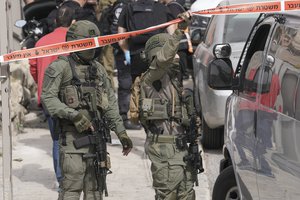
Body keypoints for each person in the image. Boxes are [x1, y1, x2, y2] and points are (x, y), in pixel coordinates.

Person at [41, 20, 133, 200]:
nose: (93, 49)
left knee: (94, 193)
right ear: (75, 43)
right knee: (71, 191)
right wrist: (73, 115)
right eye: (89, 43)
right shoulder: (61, 67)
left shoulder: (98, 69)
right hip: (72, 141)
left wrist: (121, 133)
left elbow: (110, 104)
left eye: (95, 43)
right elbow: (48, 98)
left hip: (97, 142)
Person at [139, 11, 197, 199]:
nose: (177, 56)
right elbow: (163, 60)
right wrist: (179, 31)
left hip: (181, 149)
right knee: (167, 195)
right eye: (173, 52)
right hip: (164, 151)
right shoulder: (151, 79)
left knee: (187, 195)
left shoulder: (174, 80)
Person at [29, 5, 75, 186]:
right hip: (72, 98)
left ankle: (60, 181)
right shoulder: (76, 42)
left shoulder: (40, 43)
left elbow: (33, 68)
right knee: (74, 139)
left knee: (57, 140)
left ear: (55, 21)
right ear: (73, 23)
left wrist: (41, 83)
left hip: (48, 98)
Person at [117, 0, 175, 129]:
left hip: (137, 56)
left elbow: (121, 37)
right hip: (159, 56)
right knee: (162, 89)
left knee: (140, 90)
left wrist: (127, 52)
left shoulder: (128, 8)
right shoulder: (163, 9)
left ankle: (144, 122)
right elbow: (172, 35)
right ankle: (162, 122)